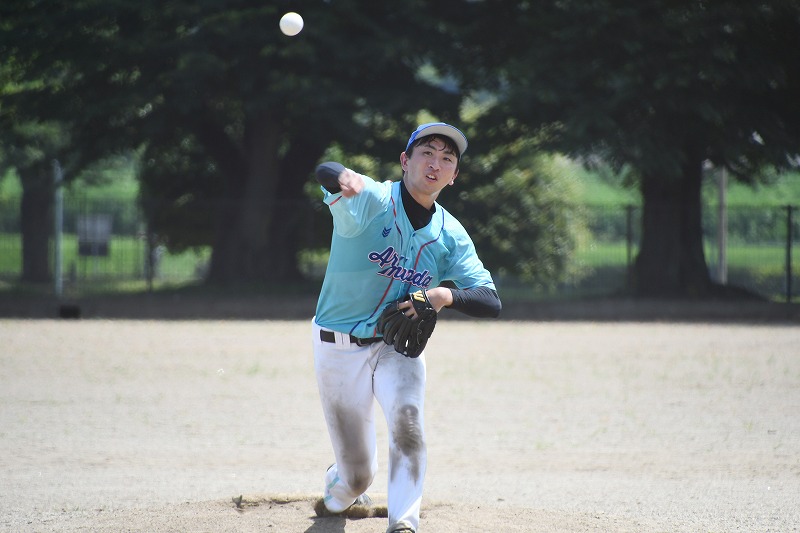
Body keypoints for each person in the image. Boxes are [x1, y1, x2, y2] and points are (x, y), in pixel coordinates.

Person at [312, 122, 501, 533]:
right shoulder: (373, 199)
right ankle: (339, 487)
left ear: (454, 176)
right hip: (337, 345)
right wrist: (342, 178)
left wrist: (442, 295)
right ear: (405, 160)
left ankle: (403, 524)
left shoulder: (450, 235)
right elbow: (326, 170)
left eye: (447, 159)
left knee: (409, 423)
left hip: (396, 346)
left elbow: (490, 300)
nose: (435, 163)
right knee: (357, 476)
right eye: (427, 153)